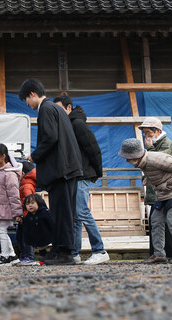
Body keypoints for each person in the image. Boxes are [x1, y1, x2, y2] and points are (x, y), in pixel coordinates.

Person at [20, 78, 83, 265]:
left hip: (61, 170)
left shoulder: (46, 109)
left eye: (26, 99)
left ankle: (65, 253)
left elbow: (50, 138)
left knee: (62, 213)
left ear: (32, 94)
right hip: (67, 168)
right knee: (62, 212)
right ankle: (57, 250)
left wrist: (34, 156)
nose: (27, 103)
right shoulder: (56, 108)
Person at [119, 138, 172, 263]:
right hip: (164, 192)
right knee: (156, 220)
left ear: (135, 155)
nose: (127, 160)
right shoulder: (143, 163)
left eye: (128, 158)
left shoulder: (157, 159)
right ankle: (159, 254)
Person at [54, 96, 108, 265]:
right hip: (74, 174)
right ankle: (75, 253)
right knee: (76, 216)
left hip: (83, 174)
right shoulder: (68, 125)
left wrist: (96, 173)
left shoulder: (77, 124)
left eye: (60, 109)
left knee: (82, 211)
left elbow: (94, 148)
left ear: (68, 107)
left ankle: (100, 250)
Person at [139, 117, 172, 260]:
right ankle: (162, 254)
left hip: (165, 190)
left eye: (149, 132)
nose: (146, 136)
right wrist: (146, 177)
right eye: (144, 133)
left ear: (158, 131)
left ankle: (168, 253)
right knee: (158, 221)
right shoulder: (157, 143)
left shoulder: (166, 144)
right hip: (158, 189)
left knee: (160, 221)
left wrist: (149, 148)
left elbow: (159, 162)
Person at [0, 143, 23, 265]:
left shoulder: (9, 173)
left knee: (1, 231)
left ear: (3, 156)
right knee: (1, 231)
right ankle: (11, 256)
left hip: (6, 208)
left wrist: (17, 212)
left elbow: (14, 195)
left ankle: (5, 256)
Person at [17, 193, 54, 266]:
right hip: (38, 237)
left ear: (39, 203)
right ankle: (44, 260)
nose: (30, 205)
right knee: (41, 249)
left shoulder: (44, 213)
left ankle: (51, 257)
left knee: (52, 248)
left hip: (47, 235)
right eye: (27, 204)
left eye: (32, 203)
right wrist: (21, 220)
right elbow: (26, 221)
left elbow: (52, 223)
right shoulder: (29, 215)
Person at [16, 161, 39, 265]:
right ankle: (24, 257)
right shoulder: (25, 184)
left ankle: (29, 257)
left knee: (25, 238)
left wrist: (22, 214)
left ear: (23, 173)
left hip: (26, 216)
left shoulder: (26, 186)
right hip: (24, 215)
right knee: (20, 237)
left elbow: (28, 202)